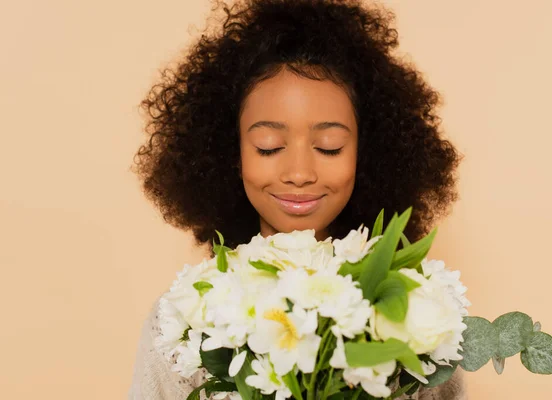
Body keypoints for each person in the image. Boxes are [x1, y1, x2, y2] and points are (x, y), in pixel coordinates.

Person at [128, 0, 466, 398]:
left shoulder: (420, 317)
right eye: (268, 147)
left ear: (368, 154)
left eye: (329, 146)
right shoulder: (182, 321)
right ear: (230, 154)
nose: (300, 173)